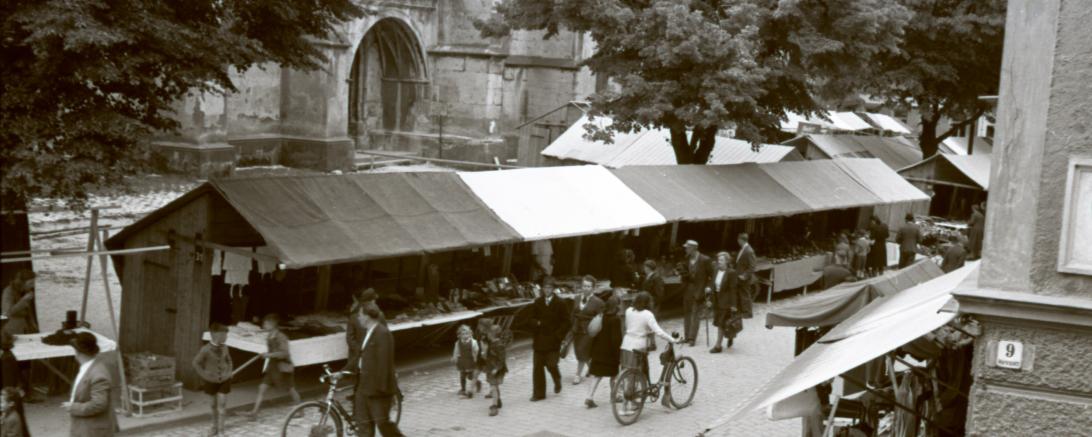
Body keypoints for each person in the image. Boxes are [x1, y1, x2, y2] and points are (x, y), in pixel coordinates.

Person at [349, 300, 403, 436]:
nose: (358, 318)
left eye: (360, 315)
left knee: (383, 425)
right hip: (363, 386)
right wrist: (342, 372)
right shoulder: (367, 333)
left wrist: (381, 390)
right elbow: (360, 357)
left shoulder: (382, 334)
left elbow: (384, 363)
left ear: (367, 316)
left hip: (377, 390)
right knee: (363, 426)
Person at [620, 292, 680, 409]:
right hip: (638, 346)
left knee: (629, 374)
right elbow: (658, 331)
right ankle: (626, 406)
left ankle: (633, 401)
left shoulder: (629, 311)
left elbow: (629, 327)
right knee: (634, 375)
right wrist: (672, 339)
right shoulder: (648, 314)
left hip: (626, 345)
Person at [244, 314, 300, 419]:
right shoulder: (269, 336)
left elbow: (284, 353)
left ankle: (301, 411)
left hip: (283, 367)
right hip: (272, 367)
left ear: (272, 324)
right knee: (262, 388)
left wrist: (268, 355)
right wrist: (268, 355)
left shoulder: (281, 337)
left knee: (291, 389)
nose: (264, 325)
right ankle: (254, 412)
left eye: (266, 323)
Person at [63, 332, 115, 437]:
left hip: (92, 431)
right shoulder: (88, 367)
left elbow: (98, 404)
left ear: (78, 352)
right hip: (84, 427)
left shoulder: (98, 374)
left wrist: (74, 407)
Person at [529, 277, 569, 401]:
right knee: (537, 367)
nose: (547, 290)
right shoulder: (537, 302)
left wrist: (558, 336)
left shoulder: (560, 303)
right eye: (545, 287)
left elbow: (567, 322)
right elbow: (531, 318)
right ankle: (539, 394)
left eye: (550, 288)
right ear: (542, 289)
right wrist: (537, 323)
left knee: (551, 364)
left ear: (553, 289)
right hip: (540, 339)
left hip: (553, 340)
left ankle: (557, 379)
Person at [193, 322, 233, 437]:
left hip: (225, 380)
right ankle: (214, 427)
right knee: (212, 405)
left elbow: (229, 361)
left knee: (222, 405)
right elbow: (195, 363)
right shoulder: (205, 349)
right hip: (211, 381)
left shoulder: (225, 347)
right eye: (225, 335)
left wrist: (229, 372)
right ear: (217, 335)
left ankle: (221, 430)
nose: (226, 337)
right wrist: (205, 376)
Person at [585, 295, 623, 408]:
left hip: (598, 350)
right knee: (614, 375)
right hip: (610, 353)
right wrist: (619, 354)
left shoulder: (602, 315)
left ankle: (589, 397)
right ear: (616, 306)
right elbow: (616, 339)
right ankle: (614, 396)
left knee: (597, 375)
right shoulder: (615, 319)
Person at [571, 275, 604, 385]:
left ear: (593, 288)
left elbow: (600, 318)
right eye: (584, 286)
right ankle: (593, 369)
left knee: (582, 350)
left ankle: (577, 375)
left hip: (589, 330)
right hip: (577, 328)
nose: (586, 288)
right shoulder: (576, 298)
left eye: (588, 286)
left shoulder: (598, 302)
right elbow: (573, 313)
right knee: (578, 351)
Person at [680, 240, 713, 346]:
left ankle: (692, 338)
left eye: (687, 248)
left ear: (694, 248)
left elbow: (712, 276)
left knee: (696, 314)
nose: (685, 249)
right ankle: (686, 336)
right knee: (687, 313)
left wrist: (708, 286)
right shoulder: (686, 259)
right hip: (688, 289)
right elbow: (685, 273)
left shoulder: (705, 259)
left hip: (700, 289)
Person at [709, 252, 742, 353]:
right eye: (718, 260)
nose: (719, 262)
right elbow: (713, 286)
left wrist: (733, 305)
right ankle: (730, 336)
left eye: (721, 260)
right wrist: (710, 299)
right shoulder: (715, 271)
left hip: (726, 301)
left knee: (721, 323)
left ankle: (718, 346)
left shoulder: (731, 273)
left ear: (727, 261)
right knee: (725, 323)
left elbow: (733, 290)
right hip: (717, 300)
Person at [478, 320, 510, 417]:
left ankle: (494, 406)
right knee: (494, 386)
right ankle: (498, 400)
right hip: (490, 367)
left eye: (488, 334)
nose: (487, 335)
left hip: (496, 369)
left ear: (492, 335)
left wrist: (497, 368)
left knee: (493, 386)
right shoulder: (491, 342)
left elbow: (502, 359)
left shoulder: (499, 345)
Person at [1, 271, 36, 336]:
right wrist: (23, 300)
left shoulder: (25, 291)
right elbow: (7, 312)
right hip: (12, 329)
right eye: (31, 283)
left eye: (33, 283)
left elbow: (28, 311)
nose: (33, 286)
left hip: (25, 328)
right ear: (22, 282)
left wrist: (33, 325)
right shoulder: (8, 291)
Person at [451, 324, 480, 398]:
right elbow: (456, 351)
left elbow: (476, 351)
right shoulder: (458, 343)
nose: (465, 335)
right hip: (462, 362)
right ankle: (463, 389)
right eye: (463, 334)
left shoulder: (473, 342)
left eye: (467, 333)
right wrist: (454, 358)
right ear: (459, 335)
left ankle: (477, 382)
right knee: (462, 376)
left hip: (470, 362)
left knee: (470, 377)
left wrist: (477, 359)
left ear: (470, 333)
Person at [735, 233, 758, 317]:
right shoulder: (743, 249)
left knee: (745, 294)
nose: (738, 241)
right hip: (739, 276)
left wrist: (745, 275)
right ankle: (743, 310)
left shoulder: (749, 251)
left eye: (738, 240)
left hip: (744, 277)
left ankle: (748, 312)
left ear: (741, 240)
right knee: (742, 294)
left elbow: (752, 266)